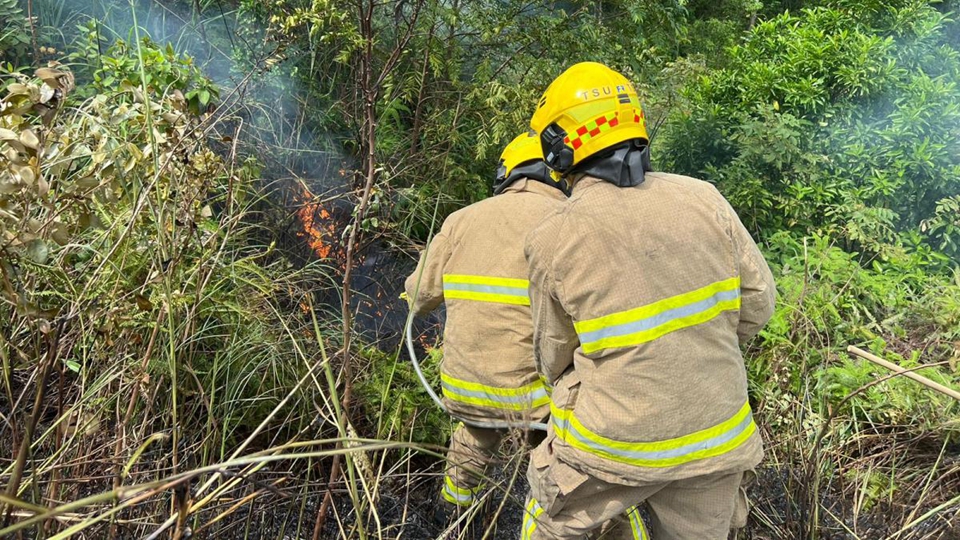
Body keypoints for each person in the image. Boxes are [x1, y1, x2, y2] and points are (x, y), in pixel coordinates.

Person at [520, 62, 777, 540]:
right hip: (717, 435)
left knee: (549, 524)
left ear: (559, 146)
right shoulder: (705, 198)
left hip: (612, 447)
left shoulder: (554, 235)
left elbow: (553, 354)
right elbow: (759, 302)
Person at [404, 131, 567, 527]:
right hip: (535, 398)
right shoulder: (569, 221)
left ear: (506, 173)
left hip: (465, 389)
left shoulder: (461, 219)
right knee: (560, 459)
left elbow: (418, 295)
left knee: (474, 441)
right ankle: (546, 519)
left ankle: (452, 516)